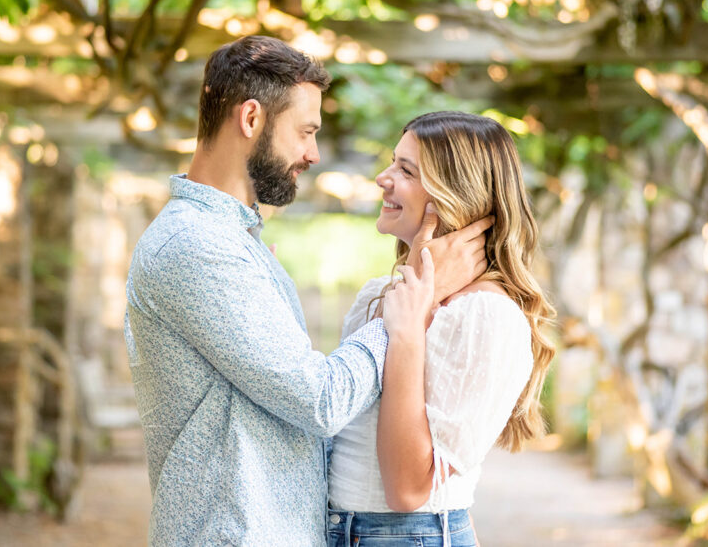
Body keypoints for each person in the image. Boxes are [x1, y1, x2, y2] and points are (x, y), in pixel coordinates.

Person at [123, 36, 491, 546]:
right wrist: (412, 307)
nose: (313, 154)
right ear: (251, 119)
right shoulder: (196, 245)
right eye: (306, 131)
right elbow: (321, 400)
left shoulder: (232, 241)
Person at [327, 111, 557, 547]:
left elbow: (408, 489)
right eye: (392, 162)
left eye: (405, 170)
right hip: (341, 530)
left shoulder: (486, 317)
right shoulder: (378, 295)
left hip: (405, 536)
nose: (382, 177)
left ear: (456, 195)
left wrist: (412, 326)